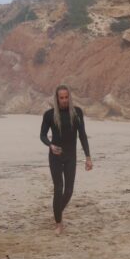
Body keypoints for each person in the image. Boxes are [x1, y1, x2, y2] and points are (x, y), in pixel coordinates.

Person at [40, 85, 92, 235]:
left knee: (68, 191)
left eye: (66, 97)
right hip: (55, 156)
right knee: (58, 189)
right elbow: (42, 135)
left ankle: (57, 211)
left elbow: (82, 135)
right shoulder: (49, 115)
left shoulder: (77, 113)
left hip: (71, 156)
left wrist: (88, 157)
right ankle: (58, 223)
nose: (64, 100)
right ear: (57, 99)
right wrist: (50, 145)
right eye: (61, 98)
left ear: (70, 97)